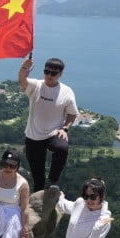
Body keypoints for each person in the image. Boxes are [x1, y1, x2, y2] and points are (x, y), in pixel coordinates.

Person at [18, 56, 78, 193]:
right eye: (46, 71)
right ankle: (39, 204)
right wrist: (24, 67)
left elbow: (72, 114)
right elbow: (22, 81)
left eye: (53, 73)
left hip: (53, 133)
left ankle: (53, 180)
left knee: (62, 148)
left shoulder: (67, 92)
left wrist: (65, 128)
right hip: (33, 136)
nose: (48, 75)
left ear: (60, 74)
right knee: (38, 179)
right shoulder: (36, 85)